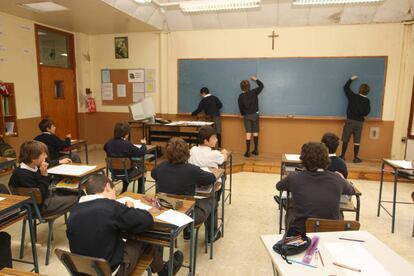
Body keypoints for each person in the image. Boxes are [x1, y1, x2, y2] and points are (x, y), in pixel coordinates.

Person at [66, 174, 183, 276]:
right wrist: (131, 209)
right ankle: (164, 272)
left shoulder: (74, 211)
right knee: (144, 238)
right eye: (114, 191)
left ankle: (163, 271)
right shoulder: (110, 207)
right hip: (111, 271)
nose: (115, 196)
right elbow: (147, 220)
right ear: (107, 187)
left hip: (82, 271)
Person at [276, 142, 355, 233]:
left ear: (303, 159)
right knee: (339, 213)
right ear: (326, 159)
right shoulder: (337, 178)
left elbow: (279, 186)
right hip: (330, 231)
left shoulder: (294, 177)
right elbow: (351, 190)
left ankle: (289, 237)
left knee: (290, 210)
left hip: (302, 231)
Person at [151, 138, 217, 241]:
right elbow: (211, 178)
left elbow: (153, 174)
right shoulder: (192, 170)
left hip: (164, 211)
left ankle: (187, 233)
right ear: (187, 153)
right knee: (212, 200)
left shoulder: (161, 167)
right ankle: (211, 235)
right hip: (187, 215)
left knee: (184, 201)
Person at [8, 140, 78, 217]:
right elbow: (41, 196)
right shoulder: (22, 175)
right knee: (79, 197)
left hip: (45, 197)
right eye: (43, 154)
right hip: (39, 207)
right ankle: (76, 225)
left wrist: (58, 162)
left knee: (77, 191)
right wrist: (44, 176)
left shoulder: (32, 165)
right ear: (33, 158)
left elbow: (49, 164)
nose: (46, 156)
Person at [104, 122, 147, 193]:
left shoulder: (108, 143)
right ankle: (140, 192)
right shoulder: (127, 144)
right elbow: (141, 153)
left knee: (125, 166)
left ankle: (124, 190)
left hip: (114, 172)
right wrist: (143, 144)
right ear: (126, 134)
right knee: (143, 168)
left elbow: (105, 148)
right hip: (128, 172)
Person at [340, 75, 371, 163]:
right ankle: (355, 157)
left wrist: (350, 79)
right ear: (368, 92)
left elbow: (345, 88)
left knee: (346, 138)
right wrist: (361, 113)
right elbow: (367, 112)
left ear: (359, 89)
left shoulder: (353, 96)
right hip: (360, 122)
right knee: (357, 140)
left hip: (350, 121)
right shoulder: (367, 101)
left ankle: (342, 156)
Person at [238, 75, 264, 157]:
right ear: (249, 86)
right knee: (255, 131)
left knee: (248, 132)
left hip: (246, 116)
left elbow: (240, 107)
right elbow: (262, 86)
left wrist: (242, 114)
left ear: (241, 87)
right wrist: (255, 79)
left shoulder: (241, 96)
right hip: (255, 115)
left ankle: (247, 152)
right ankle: (256, 150)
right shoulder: (254, 92)